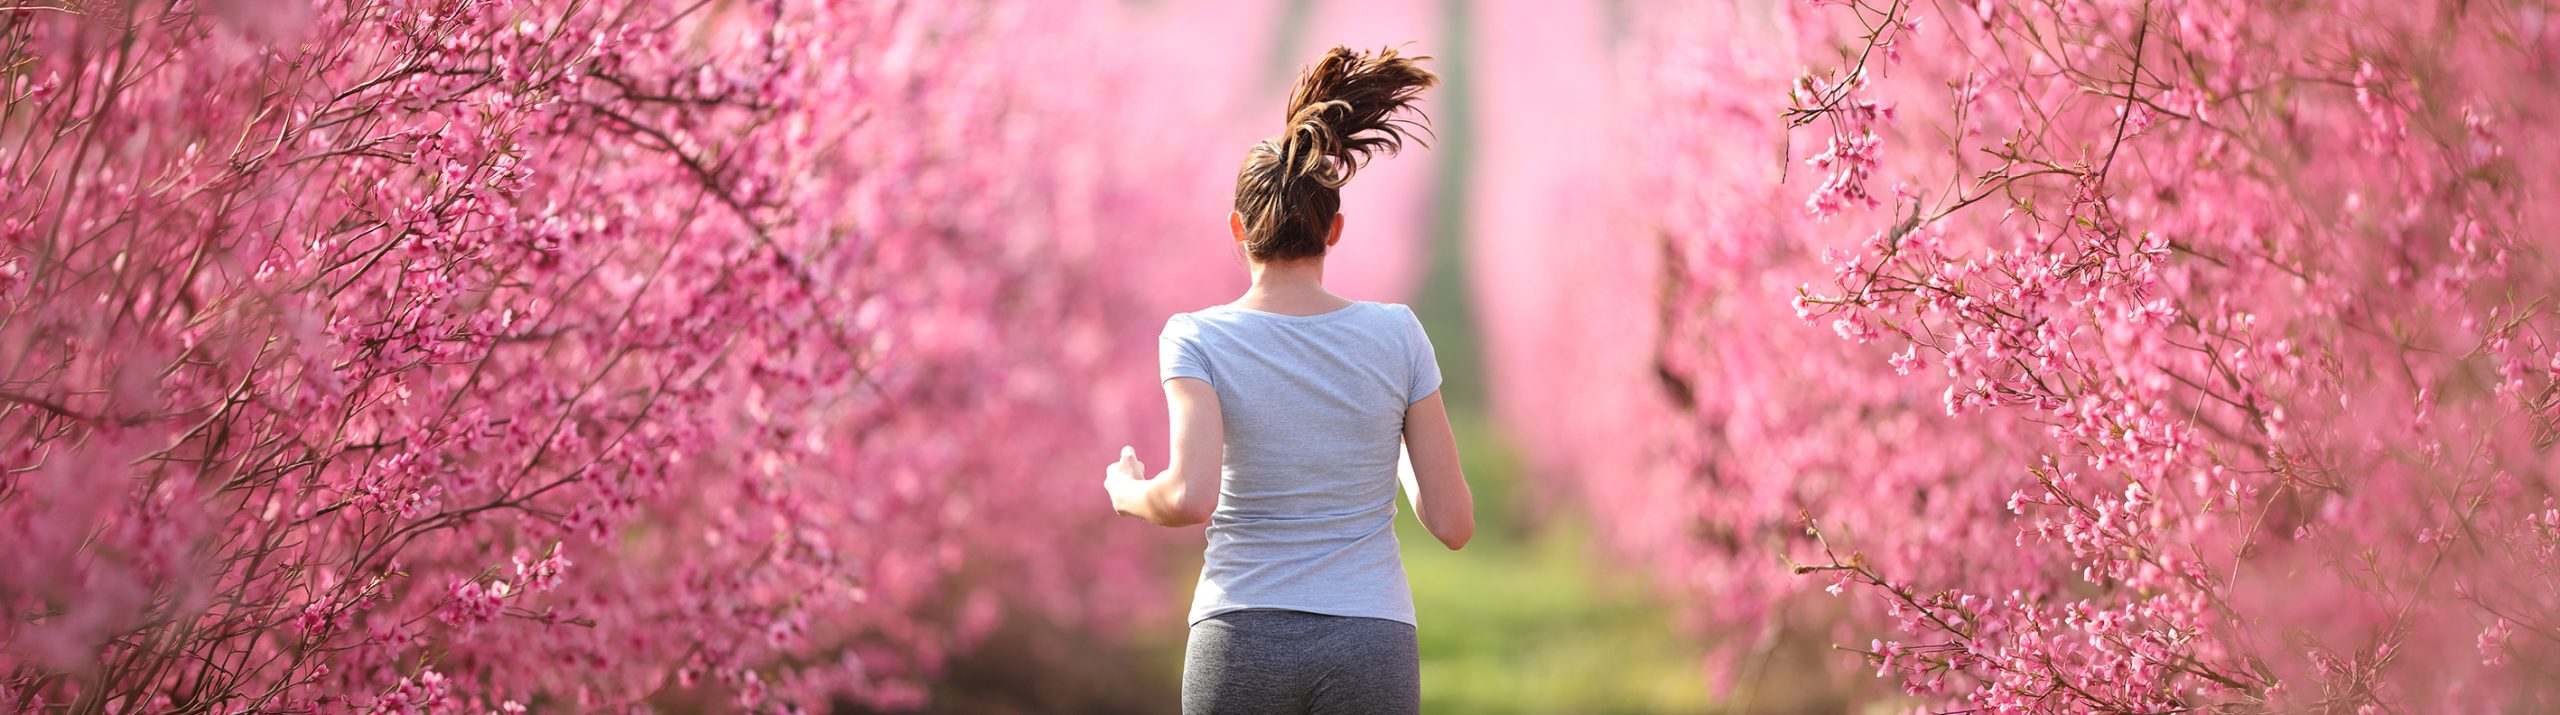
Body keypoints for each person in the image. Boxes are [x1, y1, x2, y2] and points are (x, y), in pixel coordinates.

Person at [1101, 45, 1473, 715]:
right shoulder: (1398, 335)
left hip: (1240, 633)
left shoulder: (1197, 336)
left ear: (1237, 230)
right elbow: (1451, 521)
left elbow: (1189, 496)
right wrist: (1384, 439)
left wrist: (1126, 491)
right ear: (1334, 228)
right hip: (1372, 638)